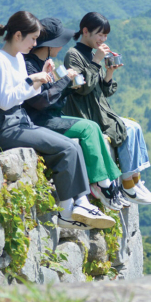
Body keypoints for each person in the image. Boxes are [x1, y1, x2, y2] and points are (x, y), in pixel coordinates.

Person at [0, 11, 117, 230]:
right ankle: (71, 209)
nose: (35, 43)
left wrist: (41, 79)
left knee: (71, 145)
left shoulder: (15, 58)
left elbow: (26, 94)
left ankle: (74, 206)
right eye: (32, 38)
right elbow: (6, 101)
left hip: (19, 120)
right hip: (3, 126)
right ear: (18, 35)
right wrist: (33, 80)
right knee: (67, 147)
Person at [22, 17, 130, 211]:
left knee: (92, 127)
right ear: (50, 45)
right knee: (88, 128)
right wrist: (65, 81)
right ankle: (102, 184)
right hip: (39, 121)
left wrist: (68, 83)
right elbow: (41, 101)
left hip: (51, 116)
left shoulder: (42, 62)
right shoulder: (31, 65)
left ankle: (109, 182)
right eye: (59, 43)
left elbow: (56, 94)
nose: (61, 47)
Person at [63, 12, 151, 205]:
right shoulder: (73, 55)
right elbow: (82, 88)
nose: (103, 39)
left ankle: (135, 180)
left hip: (100, 110)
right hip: (86, 113)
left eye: (105, 36)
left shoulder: (92, 53)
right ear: (85, 31)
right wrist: (97, 61)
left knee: (134, 126)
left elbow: (103, 91)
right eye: (100, 34)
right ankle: (128, 185)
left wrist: (109, 73)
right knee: (127, 128)